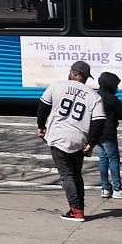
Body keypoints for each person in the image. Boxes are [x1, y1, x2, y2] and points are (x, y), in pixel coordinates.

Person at [38, 60, 105, 221]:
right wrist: (91, 144)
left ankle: (76, 211)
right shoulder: (94, 96)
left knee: (67, 175)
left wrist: (41, 126)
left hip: (58, 136)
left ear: (73, 73)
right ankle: (79, 207)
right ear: (85, 77)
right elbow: (99, 122)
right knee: (76, 174)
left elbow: (43, 107)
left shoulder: (56, 86)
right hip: (79, 140)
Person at [94, 71, 122, 199]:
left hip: (97, 133)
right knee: (114, 160)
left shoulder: (95, 96)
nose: (117, 88)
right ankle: (117, 188)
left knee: (103, 159)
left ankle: (105, 188)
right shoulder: (112, 99)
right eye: (116, 85)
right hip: (109, 133)